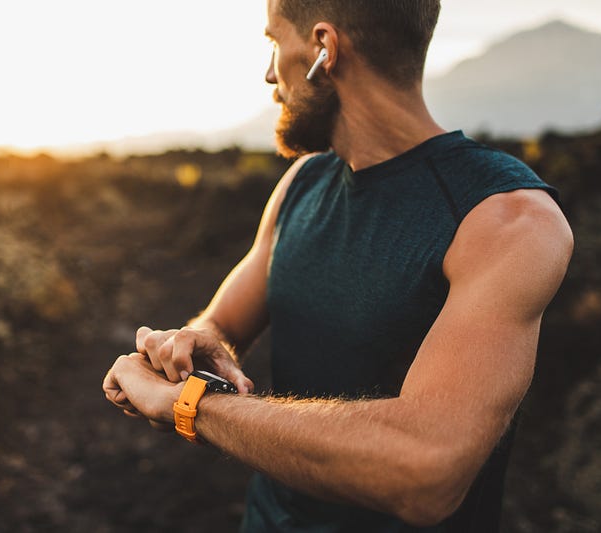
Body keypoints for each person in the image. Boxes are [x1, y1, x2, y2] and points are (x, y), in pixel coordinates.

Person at [102, 0, 574, 530]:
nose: (267, 72)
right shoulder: (302, 183)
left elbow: (426, 472)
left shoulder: (507, 219)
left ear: (323, 49)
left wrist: (191, 404)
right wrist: (187, 343)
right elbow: (219, 324)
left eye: (274, 42)